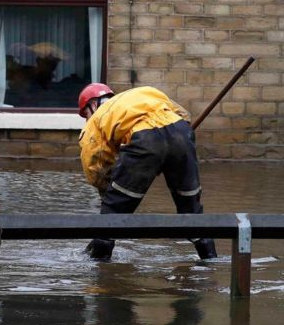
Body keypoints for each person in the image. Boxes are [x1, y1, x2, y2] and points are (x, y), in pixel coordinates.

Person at [77, 83, 217, 260]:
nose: (87, 119)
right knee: (192, 211)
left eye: (86, 114)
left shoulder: (97, 120)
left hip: (144, 141)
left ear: (93, 105)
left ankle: (101, 271)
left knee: (111, 216)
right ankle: (211, 261)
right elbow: (183, 116)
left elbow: (94, 166)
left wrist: (109, 193)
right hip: (181, 134)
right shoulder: (145, 92)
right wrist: (169, 152)